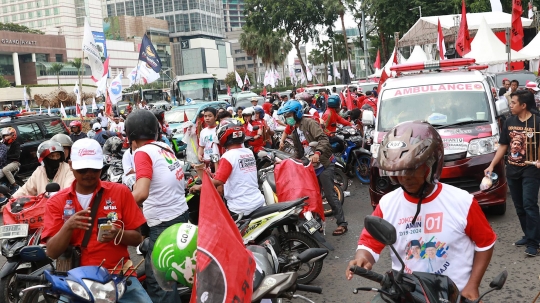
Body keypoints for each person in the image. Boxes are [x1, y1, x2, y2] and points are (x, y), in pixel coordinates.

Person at [347, 121, 496, 302]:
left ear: (431, 164)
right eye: (399, 171)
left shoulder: (462, 201)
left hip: (452, 296)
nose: (405, 178)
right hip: (408, 294)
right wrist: (363, 258)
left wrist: (473, 285)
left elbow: (485, 243)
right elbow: (369, 242)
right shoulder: (387, 204)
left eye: (412, 169)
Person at [41, 138, 150, 303]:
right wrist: (68, 227)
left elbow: (137, 239)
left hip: (117, 276)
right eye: (83, 169)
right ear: (71, 165)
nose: (89, 174)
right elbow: (52, 252)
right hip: (76, 282)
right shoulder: (57, 202)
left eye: (94, 168)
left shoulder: (120, 192)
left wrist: (118, 234)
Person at [127, 110, 189, 303]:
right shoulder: (164, 147)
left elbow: (141, 192)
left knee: (159, 281)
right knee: (173, 272)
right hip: (180, 216)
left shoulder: (142, 152)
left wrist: (116, 206)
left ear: (132, 138)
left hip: (163, 224)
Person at [277, 100, 348, 236]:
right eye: (286, 116)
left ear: (297, 113)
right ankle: (318, 225)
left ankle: (342, 224)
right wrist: (285, 161)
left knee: (329, 195)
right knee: (312, 198)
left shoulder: (310, 123)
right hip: (310, 168)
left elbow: (323, 139)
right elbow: (298, 152)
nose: (287, 118)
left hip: (323, 164)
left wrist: (317, 153)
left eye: (289, 115)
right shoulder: (295, 130)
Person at [486, 90, 540, 256]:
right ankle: (529, 234)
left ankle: (534, 243)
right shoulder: (509, 121)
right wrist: (492, 165)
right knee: (519, 206)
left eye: (513, 102)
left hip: (531, 169)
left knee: (529, 204)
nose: (510, 105)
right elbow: (503, 145)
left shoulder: (537, 122)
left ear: (523, 105)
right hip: (513, 169)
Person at [190, 118, 264, 216]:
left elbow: (218, 181)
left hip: (240, 206)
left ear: (222, 135)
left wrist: (199, 187)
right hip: (258, 201)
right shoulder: (248, 152)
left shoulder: (228, 156)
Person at [1, 127, 20, 194]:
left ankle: (15, 185)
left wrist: (6, 157)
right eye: (4, 136)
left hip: (14, 162)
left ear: (13, 135)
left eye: (7, 135)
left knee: (5, 170)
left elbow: (16, 155)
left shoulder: (16, 144)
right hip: (6, 163)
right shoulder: (3, 144)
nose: (5, 137)